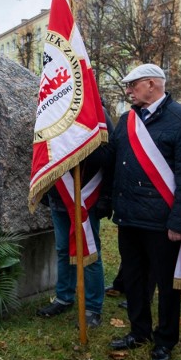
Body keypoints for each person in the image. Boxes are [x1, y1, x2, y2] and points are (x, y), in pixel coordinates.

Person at [107, 64, 181, 360]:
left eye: (132, 85)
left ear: (151, 84)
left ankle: (165, 339)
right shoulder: (127, 120)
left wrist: (179, 222)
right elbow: (112, 161)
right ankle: (139, 332)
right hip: (129, 216)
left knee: (166, 284)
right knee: (134, 280)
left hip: (163, 222)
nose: (128, 91)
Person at [36, 108, 114, 329]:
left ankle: (92, 307)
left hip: (85, 196)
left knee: (88, 252)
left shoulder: (96, 112)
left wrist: (78, 145)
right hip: (59, 196)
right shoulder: (53, 111)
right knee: (62, 249)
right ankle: (64, 297)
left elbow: (109, 155)